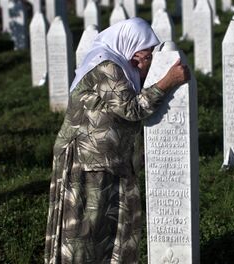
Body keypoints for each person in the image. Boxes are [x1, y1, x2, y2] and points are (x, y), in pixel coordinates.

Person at [44, 17, 190, 264]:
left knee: (109, 229)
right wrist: (167, 82)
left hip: (110, 159)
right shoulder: (106, 66)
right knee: (86, 230)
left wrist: (144, 72)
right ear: (129, 43)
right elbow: (132, 109)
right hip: (86, 160)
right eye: (144, 51)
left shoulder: (121, 66)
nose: (146, 59)